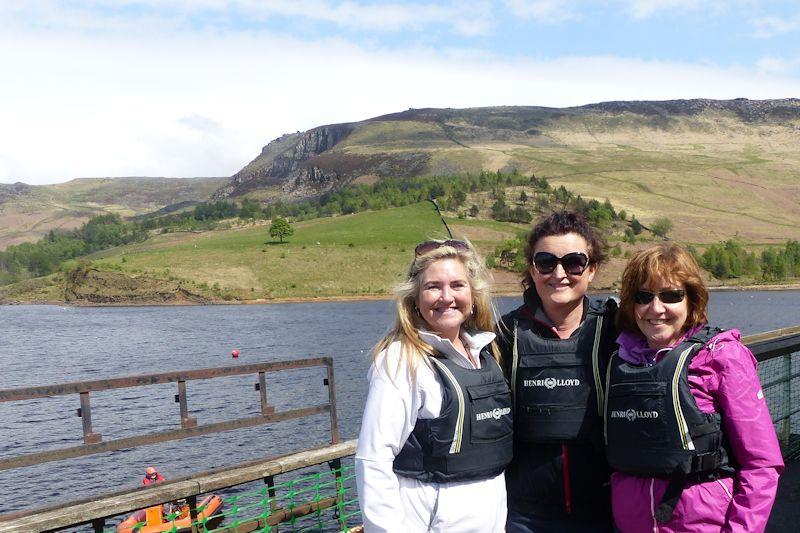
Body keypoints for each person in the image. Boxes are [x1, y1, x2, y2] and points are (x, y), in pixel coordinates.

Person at [606, 243, 784, 532]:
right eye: (643, 296)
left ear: (691, 299)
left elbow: (761, 465)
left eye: (671, 295)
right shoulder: (620, 361)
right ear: (632, 304)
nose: (656, 308)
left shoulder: (722, 357)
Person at [355, 238, 512, 532]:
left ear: (474, 295)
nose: (446, 296)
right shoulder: (402, 360)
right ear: (414, 297)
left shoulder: (486, 351)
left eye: (457, 285)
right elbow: (373, 460)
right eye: (433, 287)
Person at [499, 211, 618, 532]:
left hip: (606, 510)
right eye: (546, 262)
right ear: (532, 269)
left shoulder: (618, 329)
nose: (560, 273)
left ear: (592, 269)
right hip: (524, 515)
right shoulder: (504, 335)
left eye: (574, 262)